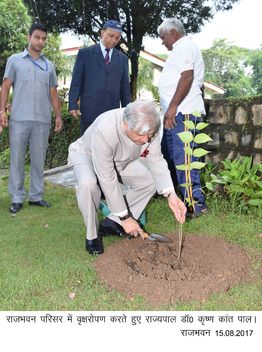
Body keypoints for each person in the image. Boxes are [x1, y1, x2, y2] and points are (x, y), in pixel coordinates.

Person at [68, 100, 187, 255]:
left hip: (120, 160)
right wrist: (126, 217)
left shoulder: (151, 126)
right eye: (141, 136)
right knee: (88, 184)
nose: (146, 141)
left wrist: (170, 194)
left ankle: (113, 222)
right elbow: (107, 178)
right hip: (86, 155)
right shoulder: (105, 128)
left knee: (150, 181)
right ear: (126, 125)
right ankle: (92, 235)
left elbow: (156, 160)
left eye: (150, 136)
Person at [0, 23, 63, 214]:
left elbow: (53, 93)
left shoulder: (49, 66)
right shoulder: (15, 60)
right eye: (37, 37)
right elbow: (5, 87)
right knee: (17, 159)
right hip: (19, 119)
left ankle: (36, 196)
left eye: (44, 38)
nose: (41, 41)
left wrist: (58, 115)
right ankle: (17, 197)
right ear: (29, 37)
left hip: (42, 121)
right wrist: (2, 111)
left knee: (38, 160)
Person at [157, 18, 207, 218]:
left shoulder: (185, 46)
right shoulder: (179, 49)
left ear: (173, 33)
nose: (162, 42)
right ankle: (178, 198)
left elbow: (187, 77)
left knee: (185, 160)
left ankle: (196, 206)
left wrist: (173, 107)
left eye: (163, 37)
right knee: (171, 157)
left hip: (182, 113)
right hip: (176, 113)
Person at [68, 20, 131, 136]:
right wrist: (72, 103)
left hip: (112, 113)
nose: (114, 40)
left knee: (108, 148)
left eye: (117, 38)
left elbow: (125, 88)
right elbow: (77, 81)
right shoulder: (85, 54)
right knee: (87, 148)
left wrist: (128, 111)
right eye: (111, 36)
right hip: (89, 111)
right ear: (102, 33)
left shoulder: (122, 59)